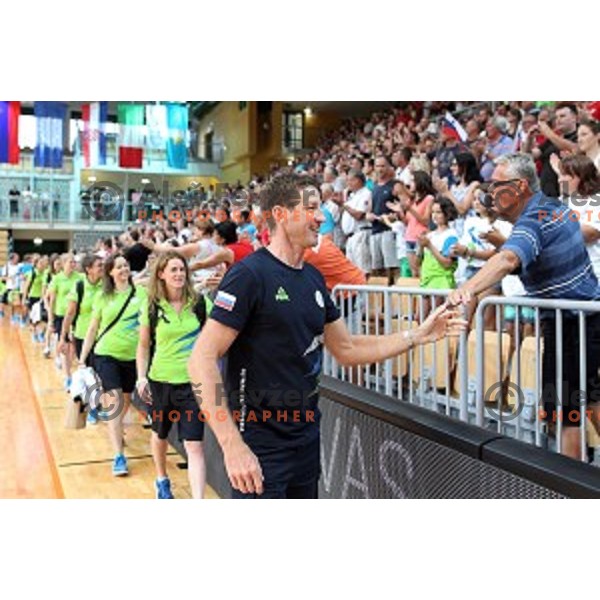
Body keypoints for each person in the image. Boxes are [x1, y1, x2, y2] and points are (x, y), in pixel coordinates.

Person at [188, 173, 466, 499]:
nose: (321, 217)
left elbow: (346, 348)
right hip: (259, 448)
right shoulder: (249, 275)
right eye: (311, 208)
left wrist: (416, 335)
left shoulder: (314, 280)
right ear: (280, 214)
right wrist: (232, 445)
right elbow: (201, 359)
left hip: (306, 443)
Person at [447, 153, 600, 460]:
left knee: (566, 407)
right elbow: (520, 257)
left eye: (496, 185)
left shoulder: (534, 220)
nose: (491, 193)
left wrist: (465, 289)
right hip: (576, 321)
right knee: (582, 402)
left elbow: (508, 259)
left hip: (574, 324)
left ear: (517, 188)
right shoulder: (552, 207)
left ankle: (569, 484)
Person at [136, 251, 212, 499]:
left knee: (194, 444)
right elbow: (144, 345)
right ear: (161, 274)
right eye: (174, 270)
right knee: (160, 435)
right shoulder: (151, 306)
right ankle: (161, 478)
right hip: (160, 381)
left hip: (193, 384)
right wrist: (141, 376)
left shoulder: (200, 303)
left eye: (182, 269)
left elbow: (217, 333)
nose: (179, 274)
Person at [78, 254, 147, 476]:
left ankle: (112, 425)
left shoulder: (141, 293)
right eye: (119, 267)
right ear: (111, 272)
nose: (124, 269)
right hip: (106, 354)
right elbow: (92, 329)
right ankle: (118, 455)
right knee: (115, 401)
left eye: (126, 265)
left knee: (126, 400)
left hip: (132, 357)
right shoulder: (102, 296)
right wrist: (82, 358)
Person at [57, 254, 103, 423]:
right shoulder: (80, 286)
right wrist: (63, 337)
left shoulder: (106, 285)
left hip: (104, 337)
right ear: (88, 269)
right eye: (99, 265)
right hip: (83, 336)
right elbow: (69, 314)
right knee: (89, 372)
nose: (102, 268)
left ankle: (95, 404)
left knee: (100, 373)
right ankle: (92, 407)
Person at [47, 254, 81, 390]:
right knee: (66, 347)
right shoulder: (57, 279)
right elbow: (52, 300)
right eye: (70, 262)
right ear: (63, 263)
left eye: (74, 262)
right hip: (61, 315)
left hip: (76, 315)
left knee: (73, 347)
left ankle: (69, 366)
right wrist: (51, 319)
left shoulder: (79, 277)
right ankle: (68, 377)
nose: (73, 264)